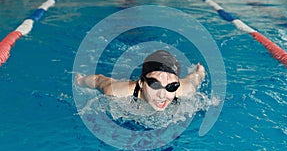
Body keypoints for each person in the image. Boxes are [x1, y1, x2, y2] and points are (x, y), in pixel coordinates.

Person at [76, 50, 205, 111]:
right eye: (155, 85)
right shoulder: (116, 92)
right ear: (141, 83)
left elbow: (194, 80)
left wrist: (199, 72)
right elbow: (99, 80)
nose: (163, 95)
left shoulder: (184, 90)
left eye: (171, 87)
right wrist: (80, 81)